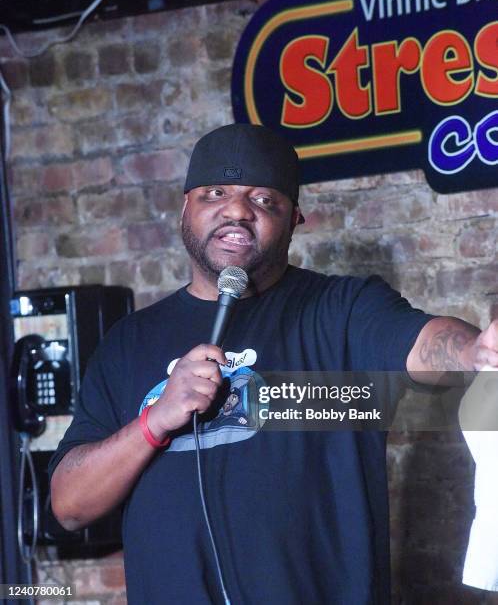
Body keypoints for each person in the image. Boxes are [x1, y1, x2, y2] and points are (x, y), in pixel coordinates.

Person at [49, 123, 498, 604]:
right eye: (215, 192)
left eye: (265, 200)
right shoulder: (128, 343)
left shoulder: (341, 310)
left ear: (295, 219)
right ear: (184, 207)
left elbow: (428, 344)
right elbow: (69, 506)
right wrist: (154, 421)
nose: (237, 211)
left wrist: (477, 352)